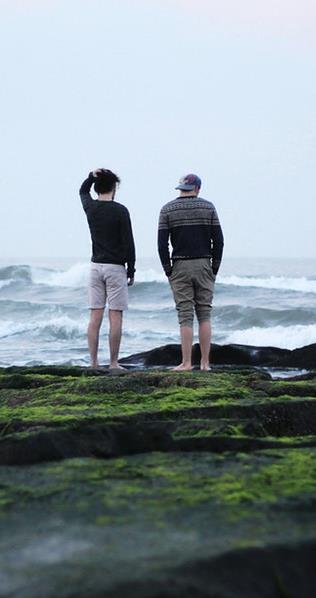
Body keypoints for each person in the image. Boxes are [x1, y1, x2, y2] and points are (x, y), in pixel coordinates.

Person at [158, 173, 224, 371]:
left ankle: (186, 363)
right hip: (204, 263)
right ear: (198, 188)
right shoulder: (208, 207)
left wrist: (168, 270)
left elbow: (162, 245)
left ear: (181, 188)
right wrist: (214, 267)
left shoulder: (167, 209)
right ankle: (205, 363)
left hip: (180, 264)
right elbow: (218, 241)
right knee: (204, 314)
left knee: (185, 315)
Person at [79, 168, 135, 370]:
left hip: (95, 267)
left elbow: (82, 192)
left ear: (96, 188)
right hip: (115, 267)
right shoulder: (120, 211)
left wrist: (90, 177)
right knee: (115, 315)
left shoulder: (91, 208)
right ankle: (113, 363)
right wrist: (132, 269)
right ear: (114, 188)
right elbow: (128, 243)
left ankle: (93, 363)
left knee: (95, 316)